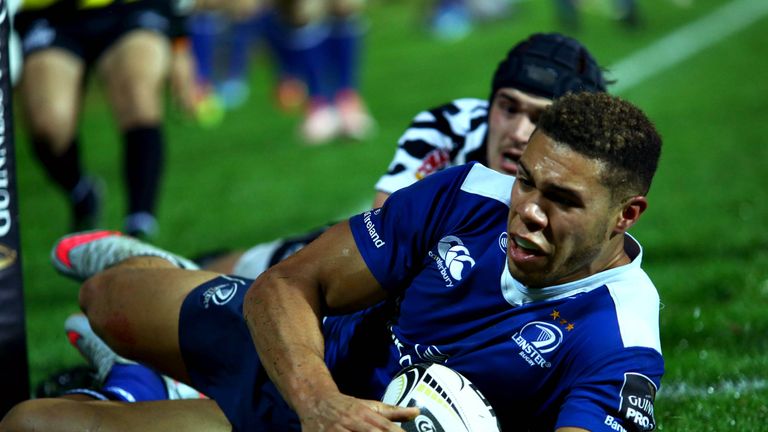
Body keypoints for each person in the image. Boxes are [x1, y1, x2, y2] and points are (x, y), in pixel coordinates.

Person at [1, 91, 664, 432]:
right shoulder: (468, 193)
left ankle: (141, 384)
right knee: (106, 298)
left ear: (625, 215)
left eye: (562, 200)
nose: (529, 210)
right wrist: (320, 402)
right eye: (527, 181)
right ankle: (156, 296)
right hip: (308, 366)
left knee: (29, 425)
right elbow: (292, 281)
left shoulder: (619, 343)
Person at [202, 31, 608, 276]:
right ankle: (190, 267)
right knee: (273, 269)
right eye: (508, 106)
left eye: (540, 117)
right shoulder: (450, 126)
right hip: (382, 268)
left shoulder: (585, 182)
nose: (518, 132)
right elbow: (383, 230)